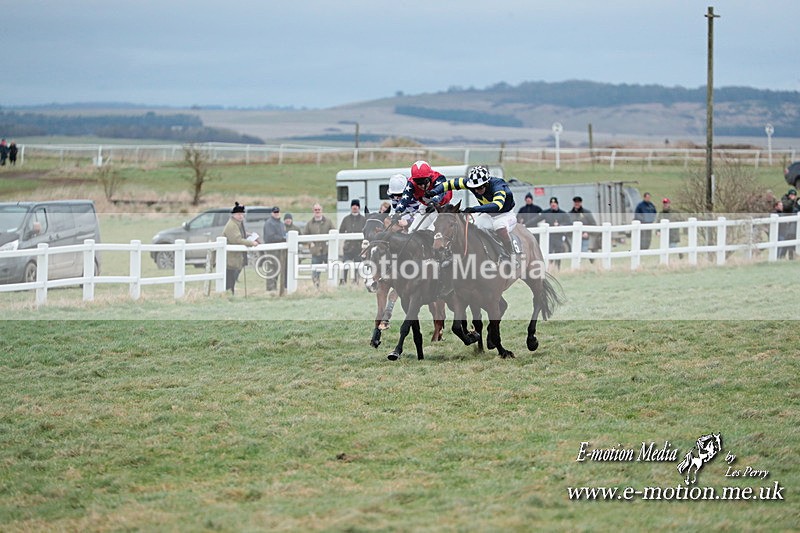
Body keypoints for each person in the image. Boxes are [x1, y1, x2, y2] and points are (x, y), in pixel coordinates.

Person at [426, 165, 517, 261]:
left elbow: (497, 205)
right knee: (475, 227)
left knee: (499, 225)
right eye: (474, 188)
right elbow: (448, 184)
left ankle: (511, 255)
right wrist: (434, 192)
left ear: (486, 184)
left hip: (505, 214)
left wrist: (474, 209)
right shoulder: (471, 183)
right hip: (488, 215)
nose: (476, 190)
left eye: (479, 188)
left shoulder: (498, 185)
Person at [393, 161, 452, 232]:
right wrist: (398, 211)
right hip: (427, 205)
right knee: (412, 230)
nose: (422, 186)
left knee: (432, 230)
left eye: (424, 182)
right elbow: (404, 200)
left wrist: (433, 202)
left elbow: (439, 194)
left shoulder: (439, 179)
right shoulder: (411, 184)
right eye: (418, 183)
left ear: (430, 177)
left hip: (442, 206)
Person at [223, 202, 259, 295]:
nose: (241, 216)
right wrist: (251, 243)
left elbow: (239, 234)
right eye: (239, 214)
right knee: (229, 279)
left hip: (234, 257)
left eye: (242, 214)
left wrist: (248, 234)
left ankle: (230, 295)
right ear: (233, 214)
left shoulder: (237, 223)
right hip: (230, 258)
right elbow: (237, 239)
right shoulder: (232, 225)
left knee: (232, 278)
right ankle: (228, 295)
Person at [303, 203, 335, 287]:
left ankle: (331, 287)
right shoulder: (309, 223)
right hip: (315, 252)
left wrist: (329, 242)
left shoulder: (328, 222)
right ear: (313, 211)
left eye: (319, 209)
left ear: (322, 210)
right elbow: (305, 235)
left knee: (332, 271)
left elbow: (334, 233)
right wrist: (310, 243)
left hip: (327, 251)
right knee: (315, 272)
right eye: (315, 210)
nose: (317, 211)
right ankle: (316, 288)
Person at [338, 199, 366, 284]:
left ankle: (356, 281)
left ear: (359, 207)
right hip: (348, 247)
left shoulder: (363, 219)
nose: (355, 207)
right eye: (353, 205)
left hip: (358, 247)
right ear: (351, 207)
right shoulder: (346, 219)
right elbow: (341, 231)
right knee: (345, 265)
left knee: (357, 266)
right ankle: (343, 281)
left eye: (356, 205)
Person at [541, 197, 571, 269]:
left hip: (558, 236)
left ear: (557, 204)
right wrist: (526, 224)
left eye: (554, 203)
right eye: (551, 203)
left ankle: (557, 268)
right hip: (549, 237)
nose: (553, 205)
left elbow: (569, 222)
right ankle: (549, 268)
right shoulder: (546, 213)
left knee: (558, 252)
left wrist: (561, 225)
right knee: (549, 252)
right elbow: (536, 219)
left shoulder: (563, 213)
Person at [263, 206, 287, 291]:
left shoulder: (281, 224)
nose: (276, 213)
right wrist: (283, 238)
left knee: (278, 269)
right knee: (272, 270)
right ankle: (271, 289)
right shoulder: (269, 223)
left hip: (280, 250)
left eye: (278, 212)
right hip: (272, 250)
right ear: (272, 213)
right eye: (275, 212)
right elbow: (270, 237)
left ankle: (278, 289)